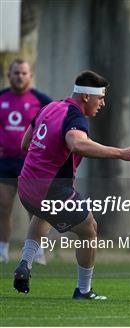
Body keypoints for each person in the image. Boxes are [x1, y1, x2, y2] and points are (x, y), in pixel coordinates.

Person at [12, 70, 130, 300]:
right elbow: (77, 144)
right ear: (87, 97)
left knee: (42, 215)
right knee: (89, 229)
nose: (103, 103)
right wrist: (121, 153)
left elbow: (25, 143)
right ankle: (83, 290)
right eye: (101, 98)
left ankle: (25, 263)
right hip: (51, 191)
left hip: (26, 187)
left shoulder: (50, 107)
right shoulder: (75, 116)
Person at [0, 59, 52, 264]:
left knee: (35, 207)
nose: (19, 77)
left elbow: (54, 128)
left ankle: (37, 251)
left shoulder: (42, 101)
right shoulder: (1, 98)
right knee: (3, 206)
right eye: (16, 73)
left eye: (23, 73)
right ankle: (3, 250)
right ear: (9, 75)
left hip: (31, 163)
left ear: (30, 76)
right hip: (4, 162)